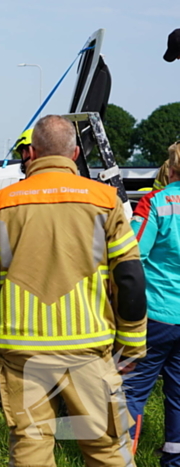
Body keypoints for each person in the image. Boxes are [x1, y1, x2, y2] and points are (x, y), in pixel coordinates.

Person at [0, 115, 147, 466]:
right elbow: (130, 279)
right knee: (107, 449)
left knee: (31, 449)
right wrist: (132, 346)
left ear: (31, 152)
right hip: (87, 350)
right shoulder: (105, 202)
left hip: (21, 354)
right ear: (75, 153)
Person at [125, 141, 180, 466]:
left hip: (156, 317)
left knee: (132, 391)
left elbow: (131, 256)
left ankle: (120, 460)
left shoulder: (156, 203)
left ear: (171, 169)